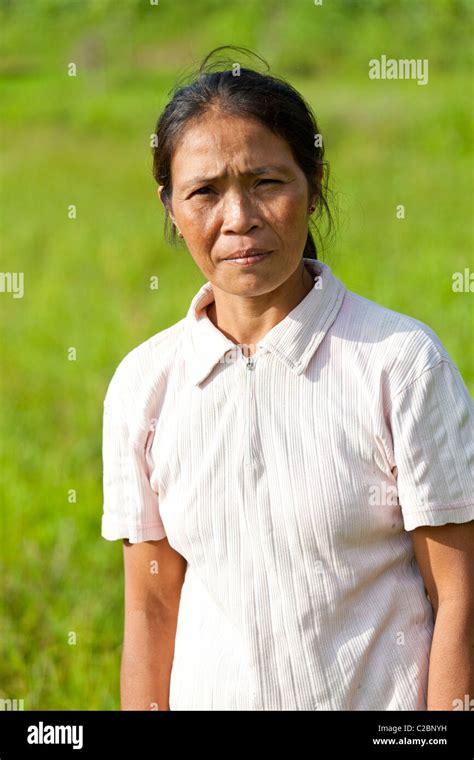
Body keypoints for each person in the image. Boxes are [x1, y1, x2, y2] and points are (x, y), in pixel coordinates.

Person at [101, 46, 474, 711]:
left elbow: (460, 598)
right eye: (205, 191)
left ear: (315, 180)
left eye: (267, 182)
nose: (238, 218)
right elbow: (153, 611)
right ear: (170, 205)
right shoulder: (145, 386)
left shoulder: (400, 363)